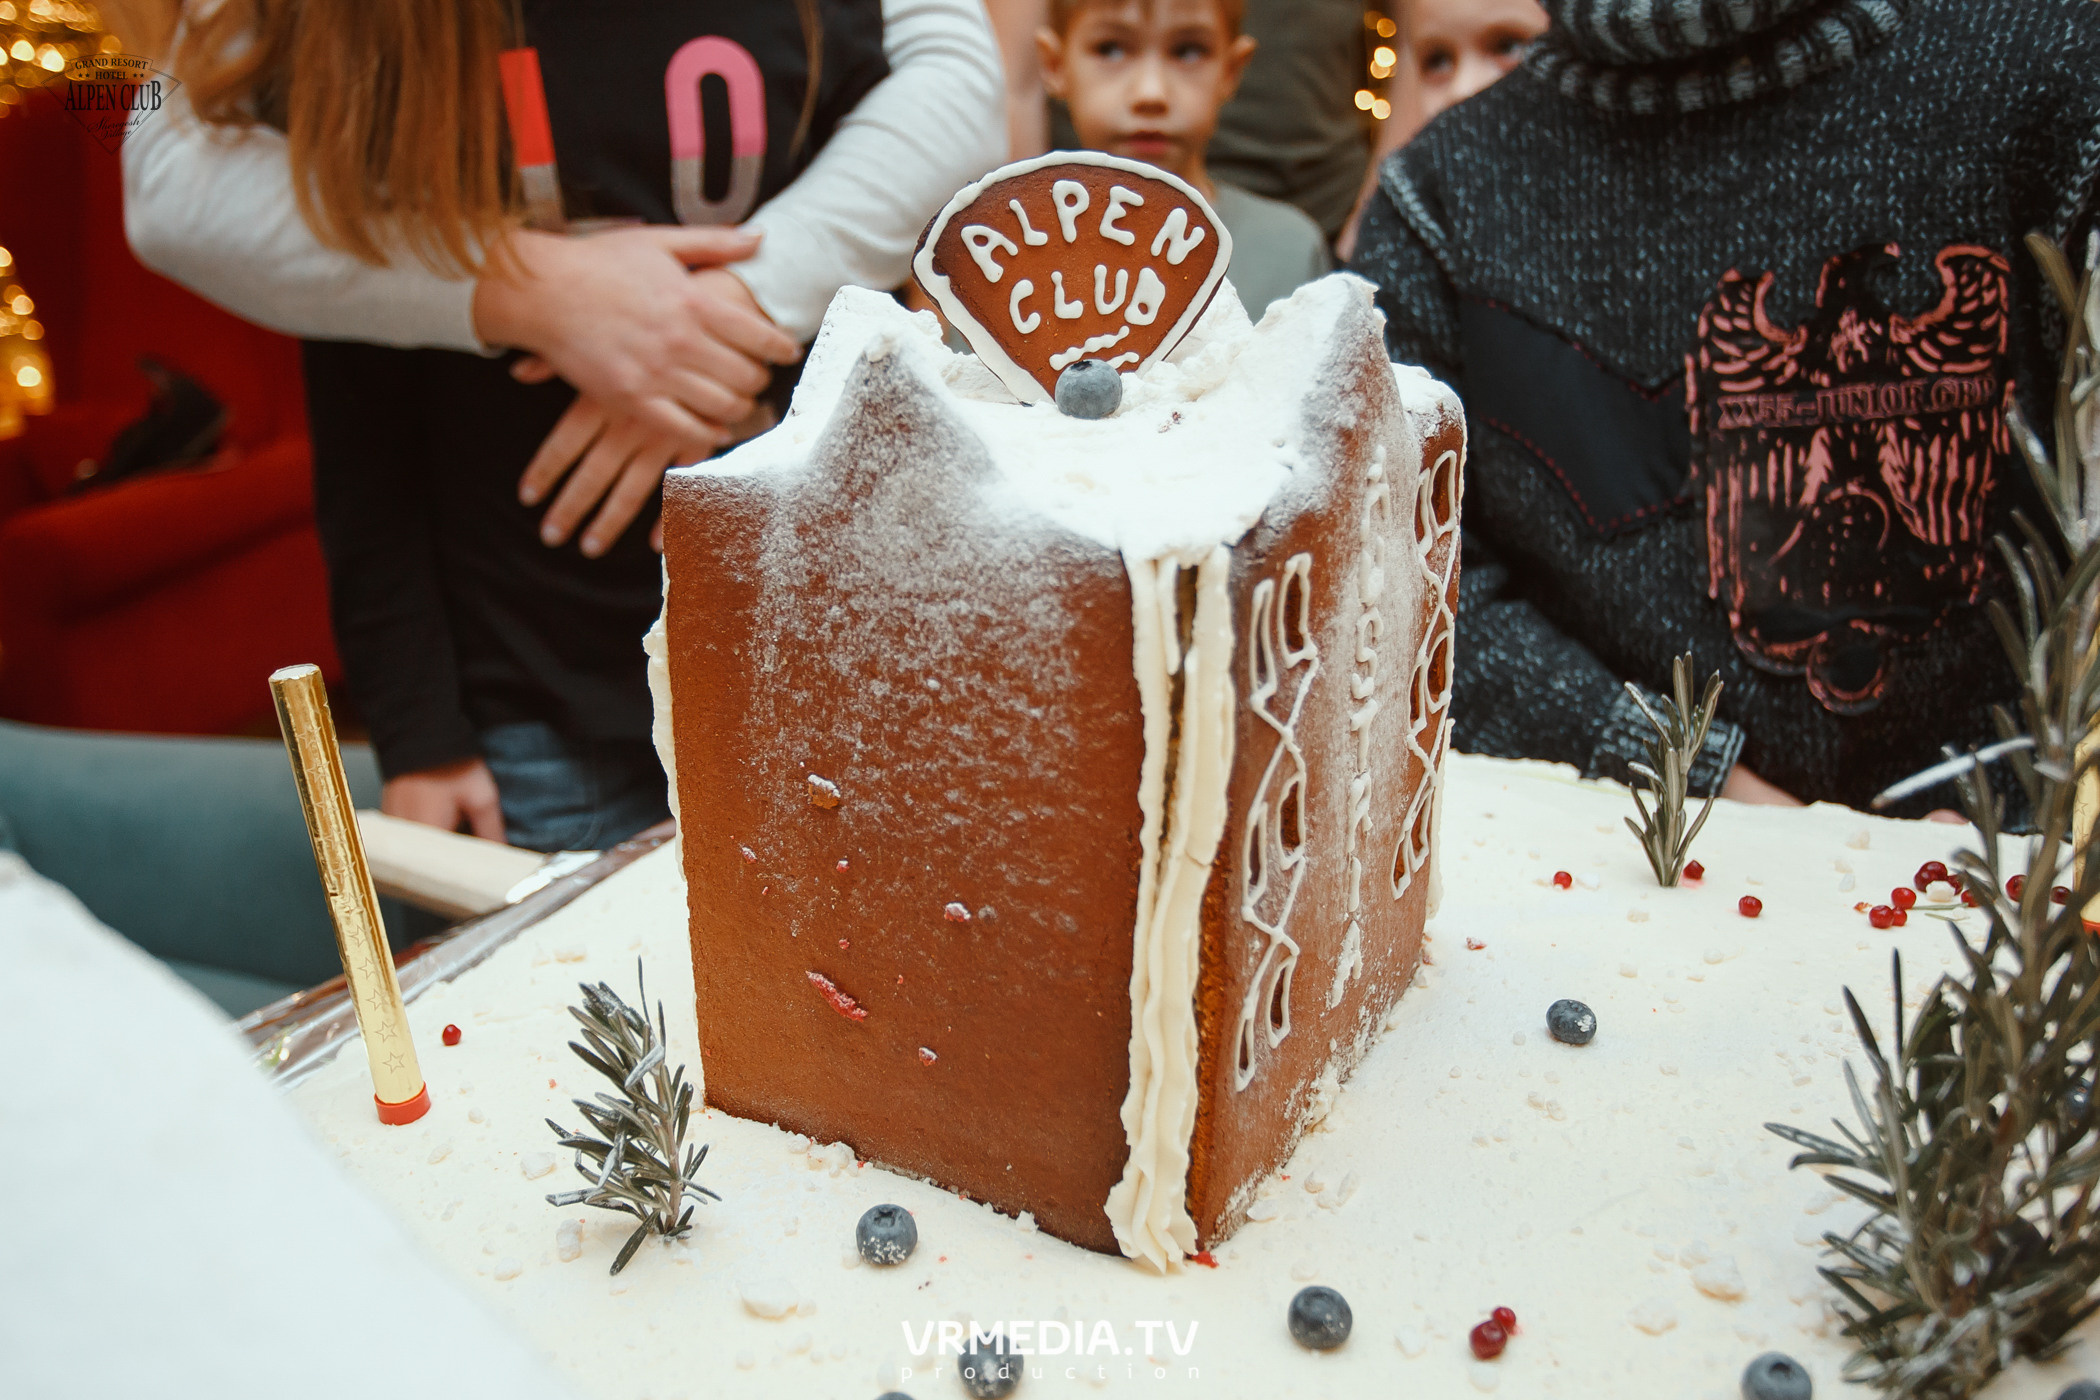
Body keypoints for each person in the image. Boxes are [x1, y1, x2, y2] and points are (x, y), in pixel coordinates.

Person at [118, 0, 1004, 850]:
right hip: (539, 706)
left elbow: (950, 114)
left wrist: (711, 326)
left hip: (825, 651)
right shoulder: (370, 59)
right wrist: (422, 730)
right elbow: (361, 423)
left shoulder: (824, 27)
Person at [1351, 0, 2100, 817]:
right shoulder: (1440, 198)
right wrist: (1688, 777)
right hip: (1609, 891)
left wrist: (2019, 814)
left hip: (2024, 883)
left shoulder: (2060, 84)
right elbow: (1400, 584)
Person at [1036, 0, 1332, 320]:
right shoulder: (1003, 256)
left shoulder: (1289, 251)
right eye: (1111, 49)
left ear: (1231, 70)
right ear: (1054, 65)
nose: (1151, 93)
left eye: (1188, 52)